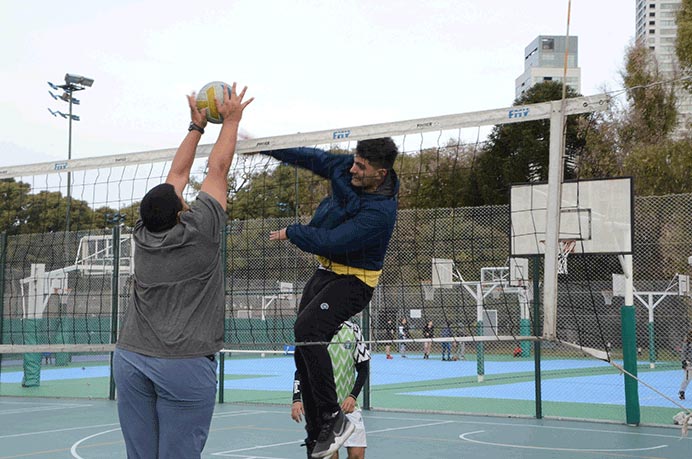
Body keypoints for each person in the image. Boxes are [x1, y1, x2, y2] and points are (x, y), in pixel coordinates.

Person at [113, 83, 253, 459]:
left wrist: (196, 127)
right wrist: (232, 119)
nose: (183, 193)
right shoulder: (202, 231)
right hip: (184, 366)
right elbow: (217, 167)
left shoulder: (142, 236)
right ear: (179, 212)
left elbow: (177, 174)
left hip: (130, 360)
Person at [263, 137, 399, 458]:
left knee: (309, 329)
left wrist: (293, 232)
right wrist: (266, 147)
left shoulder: (379, 213)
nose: (352, 168)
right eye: (354, 160)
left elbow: (331, 241)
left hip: (355, 280)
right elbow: (313, 158)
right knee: (304, 345)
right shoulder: (350, 168)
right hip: (326, 272)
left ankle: (332, 418)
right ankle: (318, 434)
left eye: (361, 167)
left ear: (379, 174)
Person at [292, 321, 370, 459]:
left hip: (349, 406)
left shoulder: (353, 329)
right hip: (324, 409)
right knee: (330, 456)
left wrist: (353, 396)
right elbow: (301, 370)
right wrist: (296, 399)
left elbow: (363, 369)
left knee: (358, 454)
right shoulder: (315, 331)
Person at [679, 330, 692, 400]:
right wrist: (684, 362)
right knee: (687, 379)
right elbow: (683, 353)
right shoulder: (687, 343)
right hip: (689, 363)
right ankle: (682, 391)